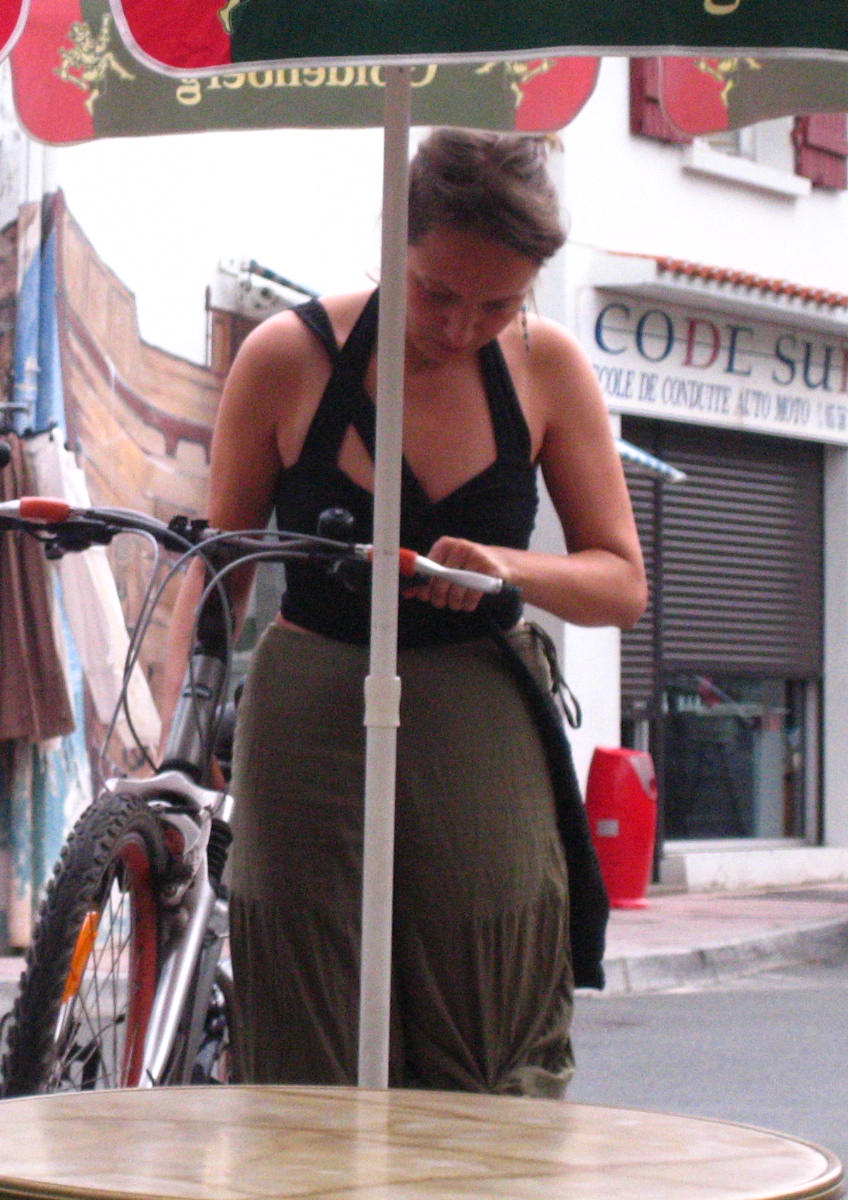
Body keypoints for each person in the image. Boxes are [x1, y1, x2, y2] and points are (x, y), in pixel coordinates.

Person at [161, 128, 647, 1097]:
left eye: (498, 303)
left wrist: (504, 565)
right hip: (309, 700)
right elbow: (223, 565)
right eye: (434, 291)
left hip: (478, 703)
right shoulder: (284, 358)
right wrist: (181, 739)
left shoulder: (548, 369)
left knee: (492, 992)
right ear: (393, 239)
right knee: (303, 1004)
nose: (462, 325)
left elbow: (620, 583)